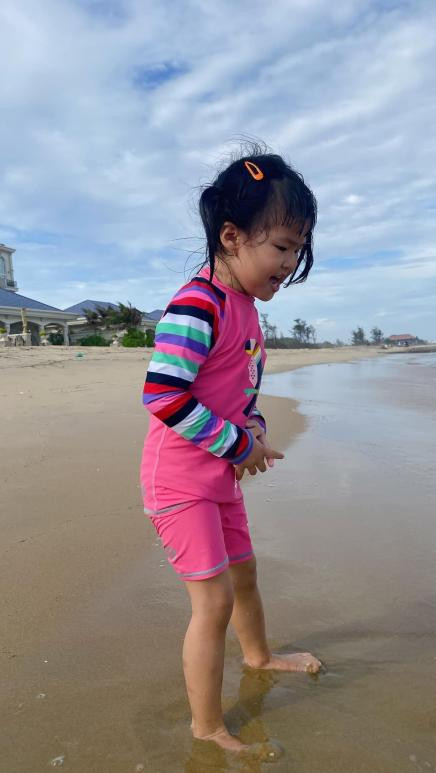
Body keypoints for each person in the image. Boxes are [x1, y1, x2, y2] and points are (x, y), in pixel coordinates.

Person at [140, 148, 321, 757]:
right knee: (213, 601)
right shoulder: (198, 304)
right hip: (180, 483)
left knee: (245, 575)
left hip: (220, 479)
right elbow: (163, 394)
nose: (290, 262)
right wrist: (238, 443)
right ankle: (208, 727)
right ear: (231, 236)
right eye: (282, 246)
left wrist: (256, 431)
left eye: (299, 249)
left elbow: (241, 393)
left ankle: (259, 656)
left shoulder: (246, 310)